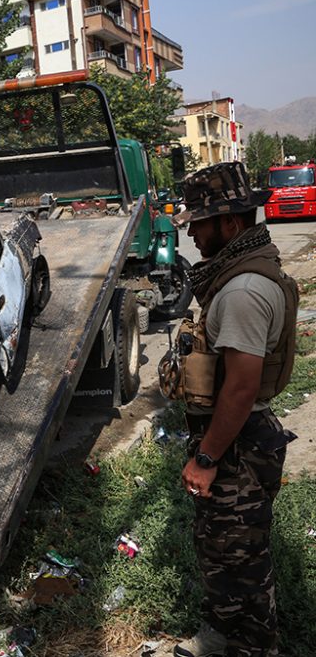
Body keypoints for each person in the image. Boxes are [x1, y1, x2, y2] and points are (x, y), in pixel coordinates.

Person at [162, 162, 297, 657]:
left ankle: (253, 646)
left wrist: (207, 458)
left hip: (237, 442)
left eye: (200, 222)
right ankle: (224, 634)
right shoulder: (240, 271)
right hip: (236, 438)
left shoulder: (242, 290)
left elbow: (239, 389)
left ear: (231, 224)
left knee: (240, 556)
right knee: (223, 548)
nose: (192, 232)